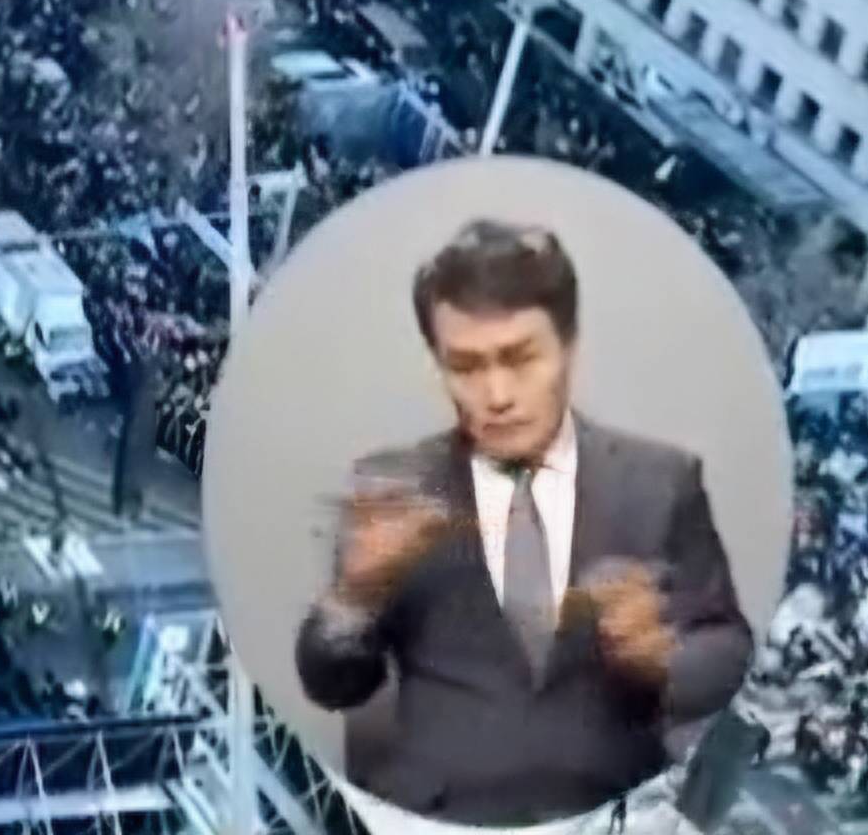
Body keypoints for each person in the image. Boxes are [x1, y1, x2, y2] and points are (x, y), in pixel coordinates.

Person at [288, 220, 752, 828]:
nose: (497, 394)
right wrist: (356, 595)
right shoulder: (394, 486)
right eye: (467, 366)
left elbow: (727, 647)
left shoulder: (660, 483)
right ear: (439, 366)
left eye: (520, 357)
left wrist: (659, 658)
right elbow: (334, 686)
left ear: (569, 346)